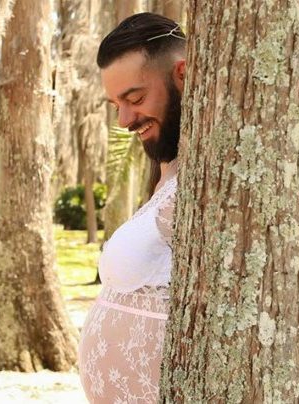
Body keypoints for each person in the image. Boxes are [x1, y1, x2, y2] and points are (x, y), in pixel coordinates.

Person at [78, 12, 186, 403]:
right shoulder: (170, 173)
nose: (125, 120)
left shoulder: (203, 181)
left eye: (135, 99)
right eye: (115, 105)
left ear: (182, 74)